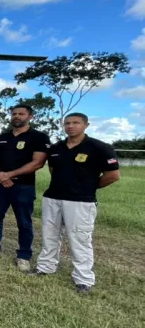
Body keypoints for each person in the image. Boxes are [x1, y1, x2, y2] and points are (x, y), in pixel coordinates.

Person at [30, 113, 120, 293]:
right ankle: (45, 267)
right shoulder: (56, 148)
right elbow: (53, 169)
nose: (71, 126)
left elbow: (112, 176)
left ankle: (83, 279)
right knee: (49, 235)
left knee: (79, 238)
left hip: (81, 202)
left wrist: (88, 188)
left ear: (86, 125)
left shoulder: (99, 148)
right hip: (53, 197)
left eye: (76, 123)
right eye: (67, 123)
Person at [0, 104, 50, 270]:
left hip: (23, 186)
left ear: (30, 116)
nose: (17, 116)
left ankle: (23, 255)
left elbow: (37, 162)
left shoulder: (38, 137)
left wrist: (8, 175)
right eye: (14, 114)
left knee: (24, 222)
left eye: (21, 114)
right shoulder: (1, 138)